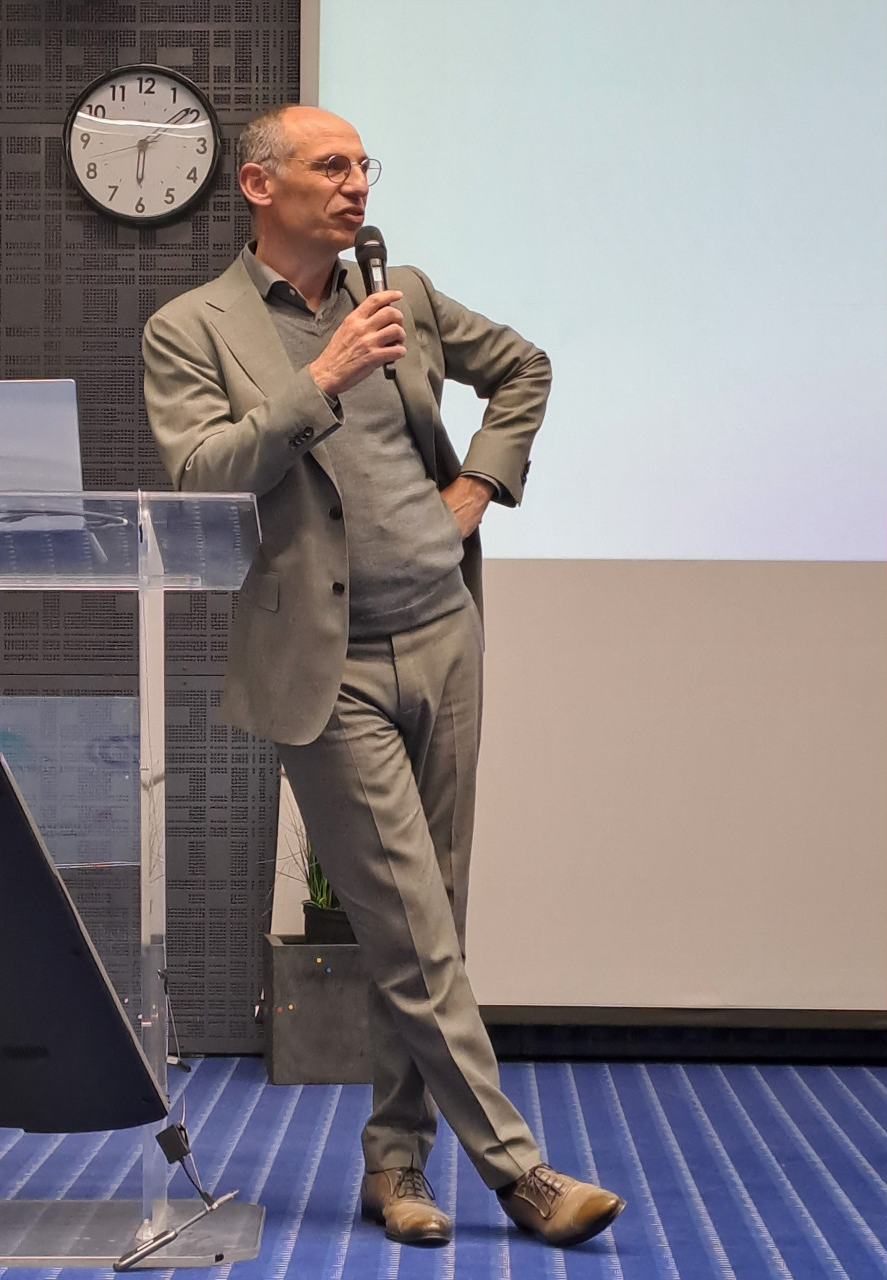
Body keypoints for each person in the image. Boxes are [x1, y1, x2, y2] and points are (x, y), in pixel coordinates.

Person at [143, 103, 624, 1250]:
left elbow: (525, 367)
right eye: (332, 165)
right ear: (261, 186)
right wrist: (322, 375)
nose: (357, 183)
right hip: (329, 663)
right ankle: (521, 1171)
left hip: (445, 637)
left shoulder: (400, 289)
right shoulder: (190, 326)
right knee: (409, 918)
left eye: (365, 165)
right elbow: (203, 468)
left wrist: (480, 486)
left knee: (432, 917)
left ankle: (395, 1164)